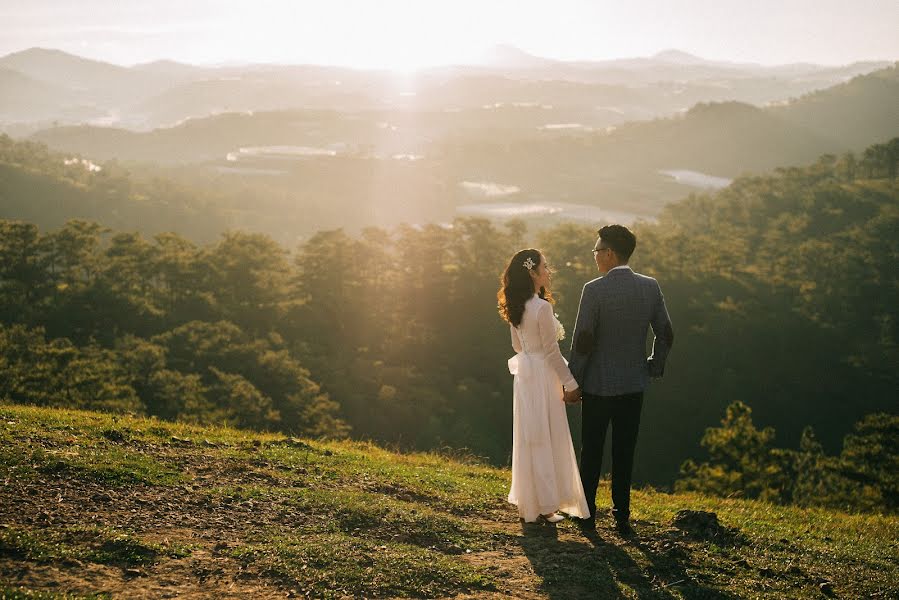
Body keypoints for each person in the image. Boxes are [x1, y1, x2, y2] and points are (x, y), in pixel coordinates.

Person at [568, 225, 674, 536]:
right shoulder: (650, 287)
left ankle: (587, 515)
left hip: (598, 384)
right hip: (634, 383)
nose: (595, 256)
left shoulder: (594, 290)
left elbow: (583, 341)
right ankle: (622, 516)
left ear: (610, 254)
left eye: (597, 251)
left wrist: (574, 381)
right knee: (625, 449)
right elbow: (666, 332)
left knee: (593, 449)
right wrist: (654, 366)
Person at [498, 248, 589, 523]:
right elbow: (551, 352)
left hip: (526, 375)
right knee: (547, 433)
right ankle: (547, 505)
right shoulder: (542, 307)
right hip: (543, 376)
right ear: (532, 272)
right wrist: (571, 384)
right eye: (545, 267)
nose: (549, 272)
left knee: (531, 435)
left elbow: (517, 345)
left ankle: (534, 504)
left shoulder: (516, 306)